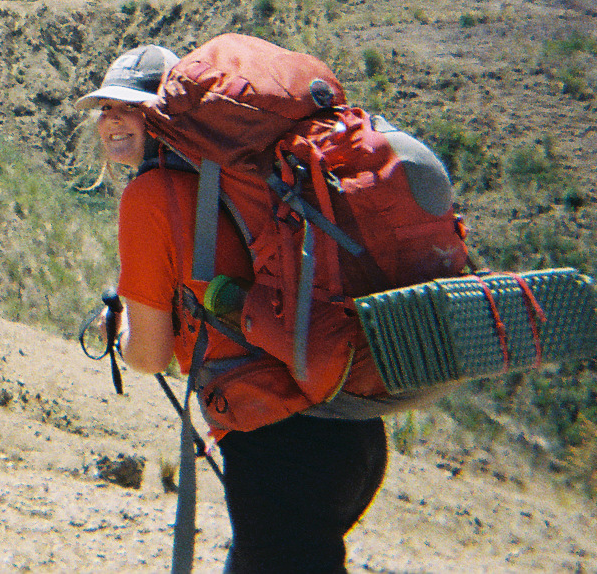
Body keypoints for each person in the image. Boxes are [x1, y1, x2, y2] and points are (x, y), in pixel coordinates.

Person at [84, 44, 388, 574]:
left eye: (130, 105)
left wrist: (125, 329)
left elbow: (150, 355)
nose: (112, 118)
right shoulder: (238, 183)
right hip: (352, 431)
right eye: (106, 106)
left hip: (279, 449)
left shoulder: (149, 198)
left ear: (169, 116)